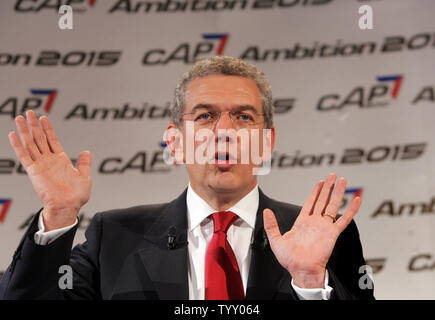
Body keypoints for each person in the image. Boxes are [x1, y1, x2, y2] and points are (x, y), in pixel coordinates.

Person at [0, 56, 374, 300]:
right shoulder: (113, 237)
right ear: (175, 143)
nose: (224, 131)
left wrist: (309, 282)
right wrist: (59, 214)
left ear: (266, 142)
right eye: (205, 116)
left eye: (243, 117)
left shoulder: (321, 237)